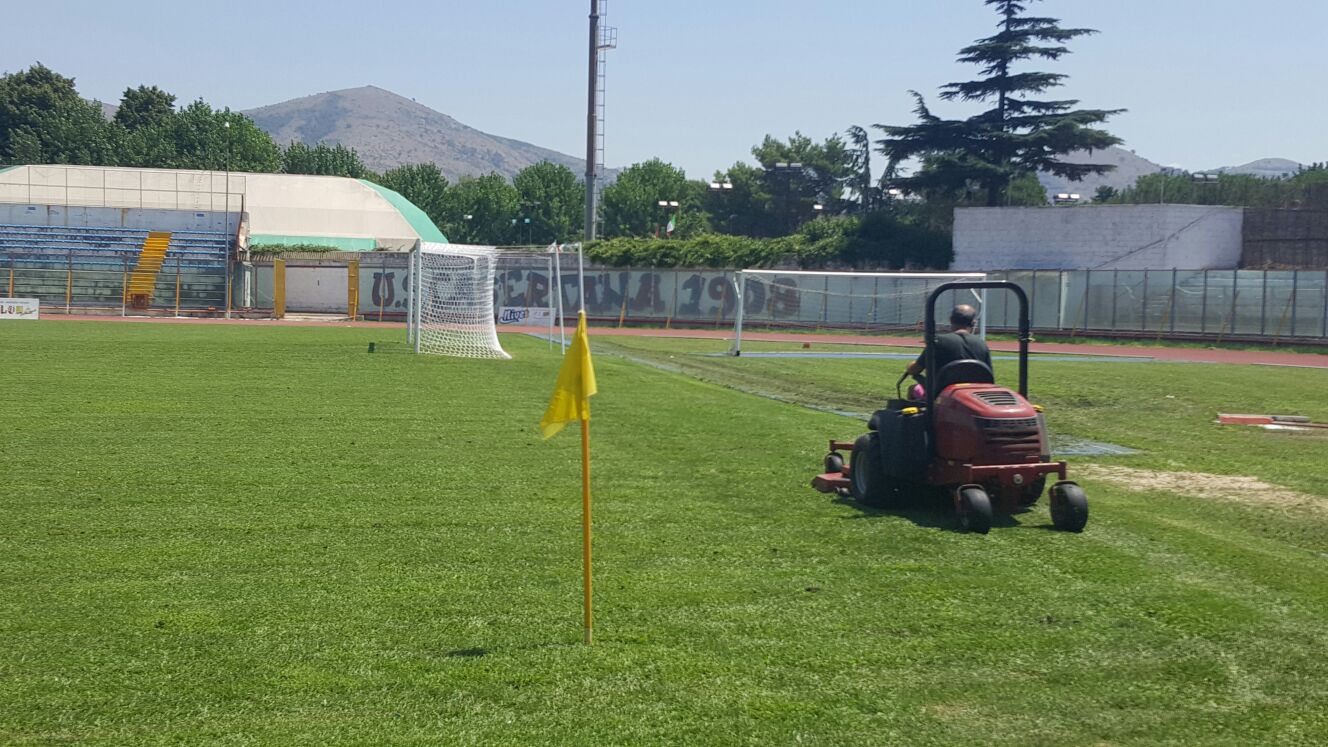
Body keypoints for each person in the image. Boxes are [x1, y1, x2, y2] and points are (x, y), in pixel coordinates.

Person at [904, 304, 992, 393]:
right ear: (973, 323)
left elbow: (915, 369)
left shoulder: (938, 342)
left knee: (913, 389)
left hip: (942, 393)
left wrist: (910, 366)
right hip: (973, 393)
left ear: (951, 320)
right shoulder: (982, 345)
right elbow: (988, 375)